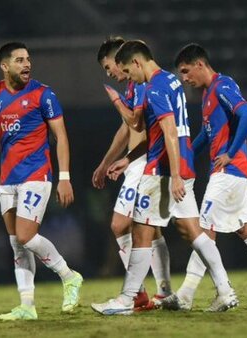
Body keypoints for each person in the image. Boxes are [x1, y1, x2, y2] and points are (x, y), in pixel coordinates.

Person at [91, 40, 238, 315]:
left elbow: (168, 131)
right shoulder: (171, 81)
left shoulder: (155, 87)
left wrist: (174, 176)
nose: (130, 79)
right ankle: (226, 290)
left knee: (141, 232)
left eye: (127, 70)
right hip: (184, 162)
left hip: (162, 169)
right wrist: (129, 158)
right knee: (193, 232)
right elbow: (160, 133)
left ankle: (127, 299)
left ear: (136, 63)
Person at [159, 43, 247, 311]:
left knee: (202, 230)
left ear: (200, 64)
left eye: (186, 71)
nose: (184, 78)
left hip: (228, 172)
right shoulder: (208, 95)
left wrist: (230, 153)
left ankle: (186, 294)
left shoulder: (222, 85)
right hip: (232, 173)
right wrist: (184, 156)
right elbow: (206, 136)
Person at [0, 42, 83, 320]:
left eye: (28, 59)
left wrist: (64, 177)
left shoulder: (44, 94)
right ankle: (27, 306)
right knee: (16, 242)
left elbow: (61, 136)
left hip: (36, 174)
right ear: (5, 66)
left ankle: (69, 276)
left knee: (26, 236)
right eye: (19, 60)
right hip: (7, 178)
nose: (26, 64)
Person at [93, 37, 172, 311]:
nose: (109, 73)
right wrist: (106, 162)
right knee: (157, 229)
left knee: (120, 225)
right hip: (139, 160)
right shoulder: (135, 86)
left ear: (120, 60)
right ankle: (163, 292)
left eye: (108, 67)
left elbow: (136, 123)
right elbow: (126, 129)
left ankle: (137, 294)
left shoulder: (139, 85)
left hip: (143, 161)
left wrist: (116, 102)